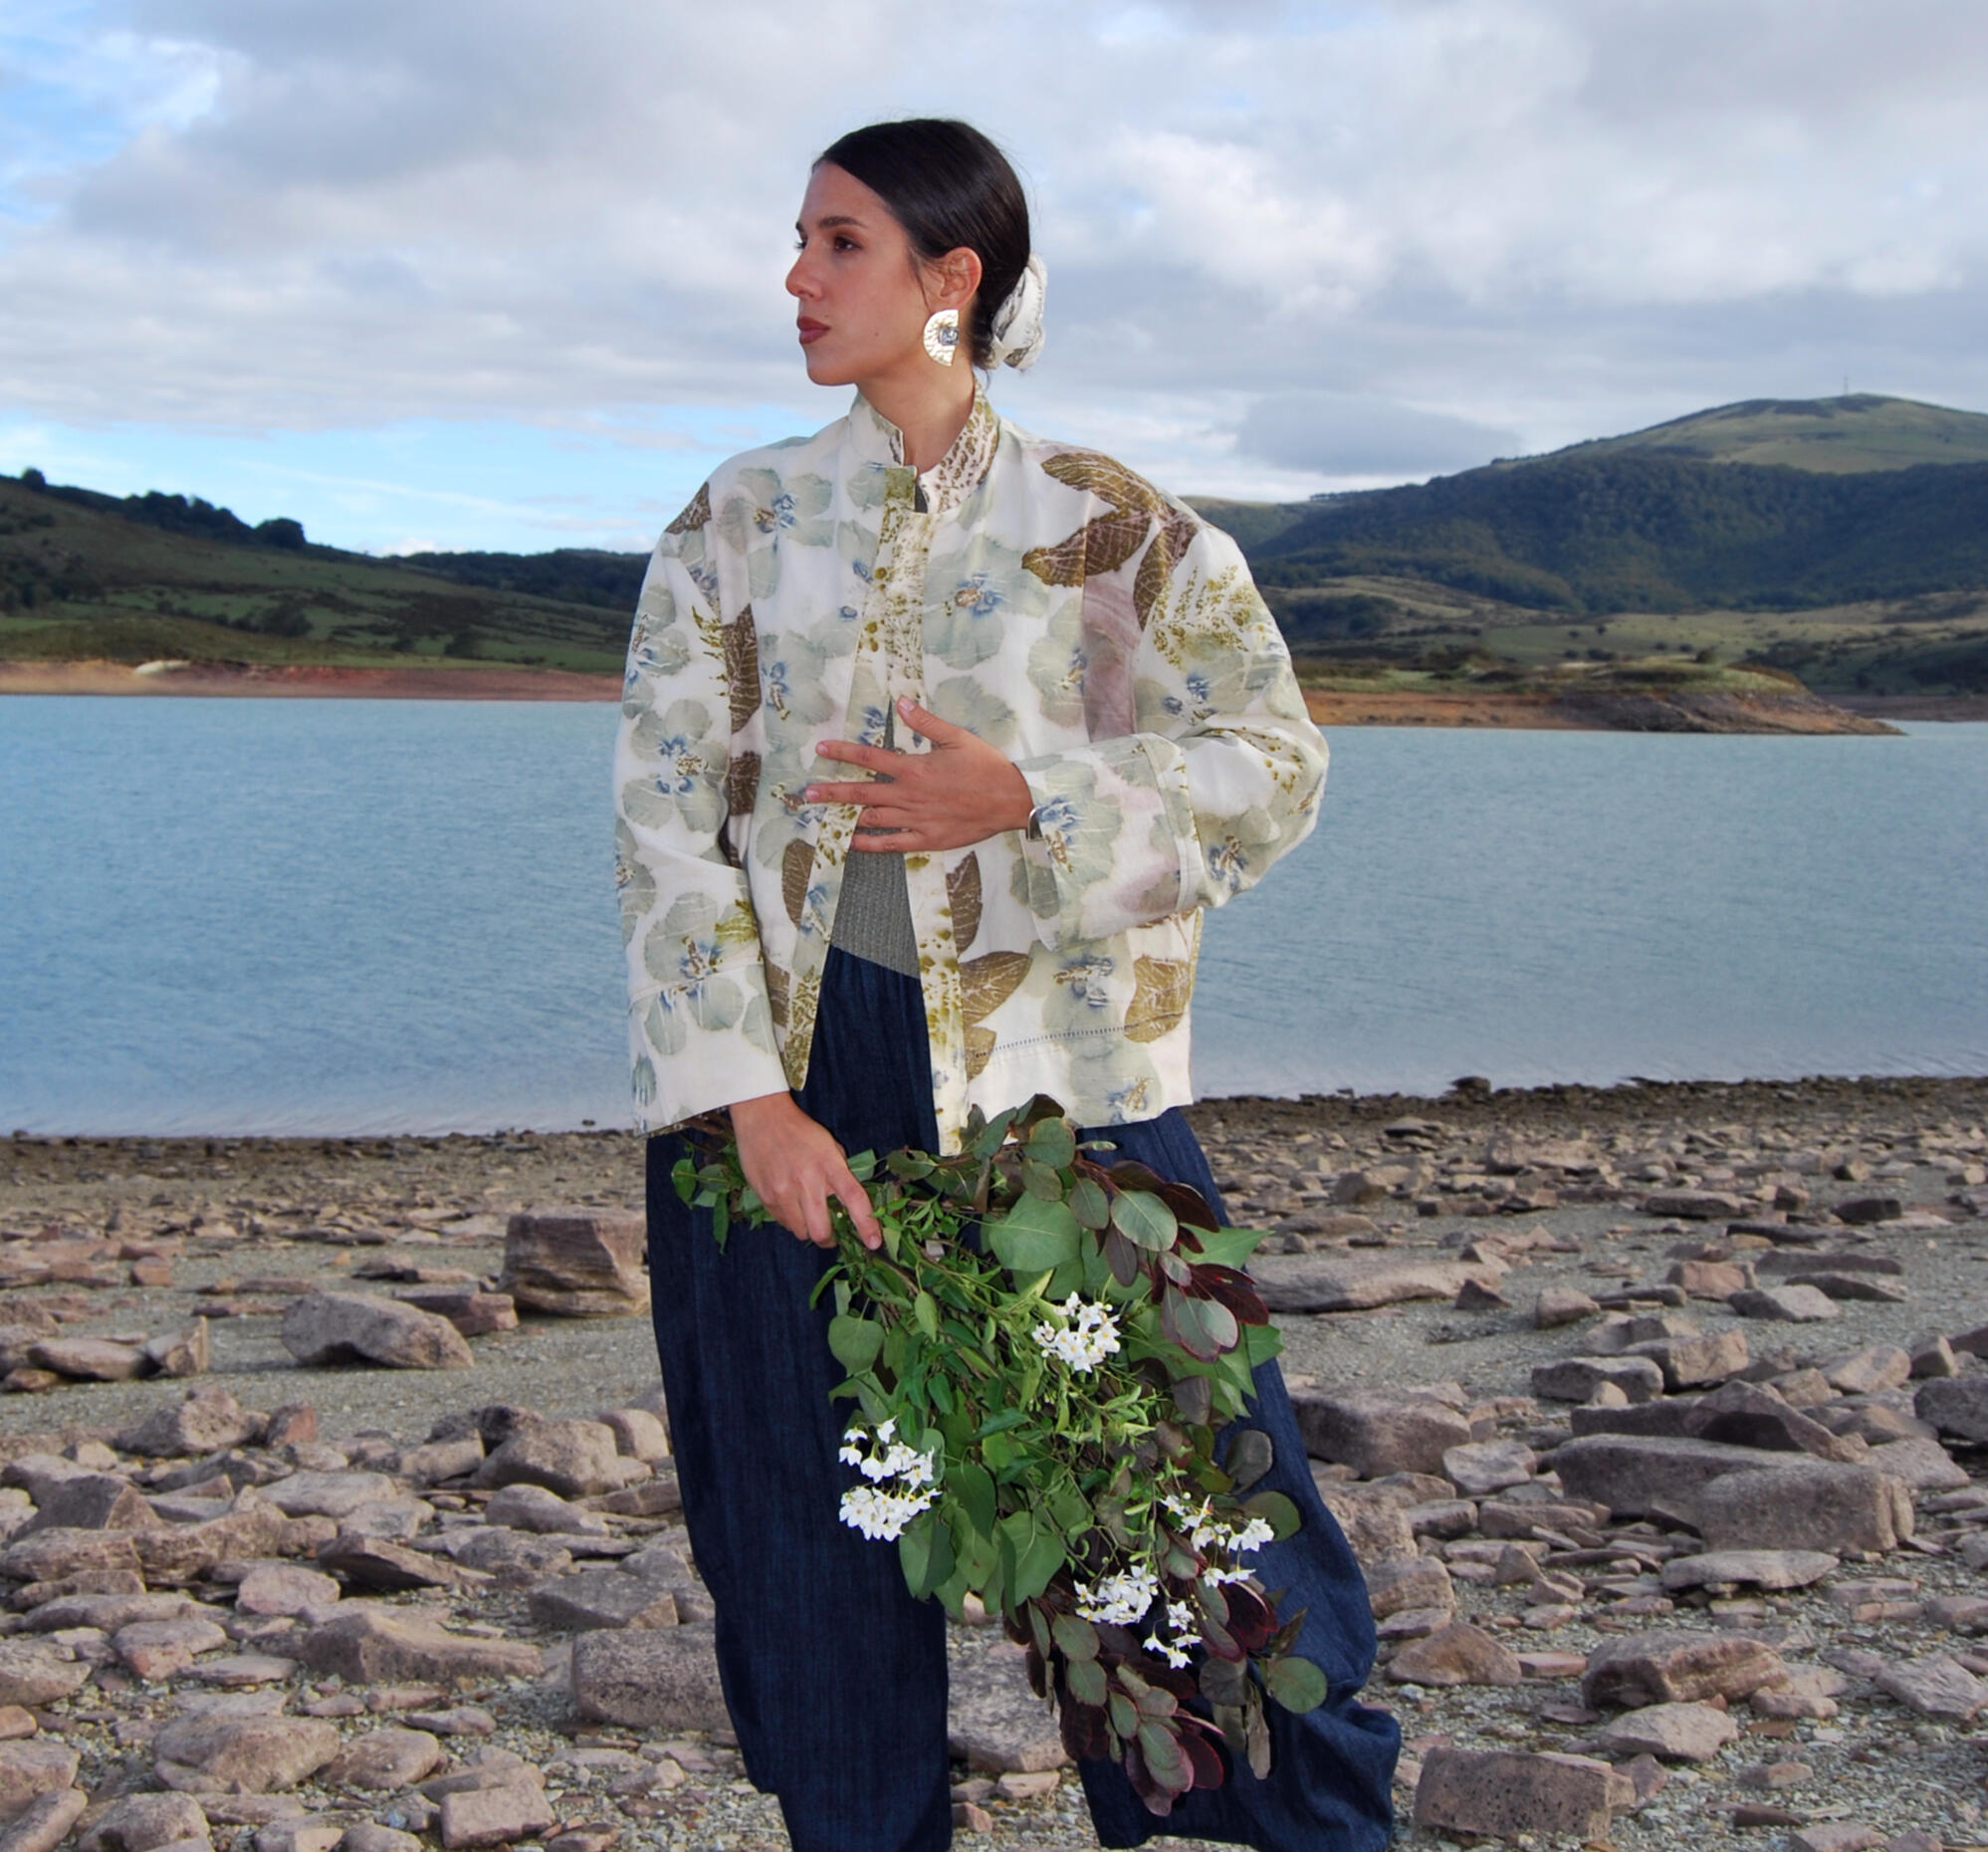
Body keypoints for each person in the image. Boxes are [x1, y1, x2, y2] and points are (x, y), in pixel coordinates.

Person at [615, 117, 1398, 1852]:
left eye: (839, 244)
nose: (798, 279)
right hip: (781, 1107)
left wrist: (1026, 798)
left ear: (949, 279)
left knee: (1186, 1543)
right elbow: (664, 833)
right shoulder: (734, 522)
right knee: (807, 1570)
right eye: (798, 242)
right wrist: (747, 1101)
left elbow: (1274, 767)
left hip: (1063, 1111)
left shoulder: (1117, 531)